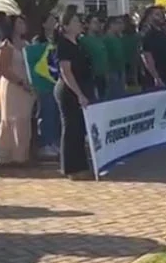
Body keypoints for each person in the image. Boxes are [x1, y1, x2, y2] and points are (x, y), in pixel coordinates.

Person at [54, 11, 94, 180]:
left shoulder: (78, 43)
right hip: (69, 90)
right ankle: (71, 168)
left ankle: (81, 165)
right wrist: (79, 94)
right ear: (66, 25)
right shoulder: (63, 45)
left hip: (82, 86)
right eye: (76, 21)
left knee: (79, 128)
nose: (79, 24)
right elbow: (66, 72)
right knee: (71, 128)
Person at [0, 15, 36, 165]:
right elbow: (2, 68)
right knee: (12, 118)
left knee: (24, 119)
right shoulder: (6, 46)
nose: (23, 25)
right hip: (12, 86)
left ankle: (22, 154)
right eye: (19, 22)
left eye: (23, 22)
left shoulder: (26, 44)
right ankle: (7, 155)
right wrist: (20, 82)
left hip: (27, 87)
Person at [33, 13, 61, 158]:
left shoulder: (58, 39)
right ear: (43, 24)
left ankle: (54, 141)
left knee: (56, 113)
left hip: (56, 82)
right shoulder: (38, 41)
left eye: (55, 20)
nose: (53, 23)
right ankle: (45, 143)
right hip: (44, 83)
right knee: (46, 112)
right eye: (50, 20)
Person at [140, 6, 166, 90]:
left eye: (162, 14)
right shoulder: (147, 34)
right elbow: (147, 57)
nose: (161, 16)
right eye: (157, 14)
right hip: (159, 78)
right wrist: (156, 77)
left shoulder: (162, 32)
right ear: (149, 17)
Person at [81, 14, 110, 99]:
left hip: (103, 75)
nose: (97, 25)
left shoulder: (100, 39)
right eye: (94, 22)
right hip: (93, 77)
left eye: (98, 22)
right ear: (87, 25)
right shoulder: (84, 40)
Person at [103, 17, 126, 99]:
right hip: (111, 70)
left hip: (120, 69)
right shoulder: (106, 39)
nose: (121, 26)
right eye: (118, 23)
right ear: (111, 25)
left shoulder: (118, 38)